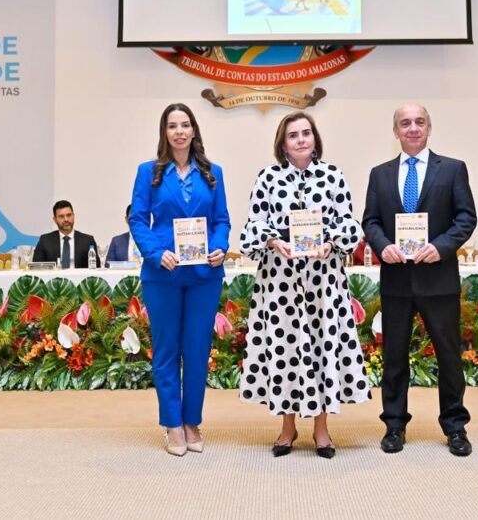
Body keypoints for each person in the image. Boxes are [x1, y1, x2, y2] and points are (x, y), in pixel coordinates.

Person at [239, 113, 369, 459]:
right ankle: (287, 427)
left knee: (322, 347)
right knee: (285, 350)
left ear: (315, 139)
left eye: (306, 133)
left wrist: (332, 243)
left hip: (323, 279)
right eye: (293, 135)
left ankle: (321, 429)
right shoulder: (267, 177)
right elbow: (254, 224)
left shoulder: (333, 175)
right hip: (280, 281)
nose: (300, 139)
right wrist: (272, 241)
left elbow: (348, 222)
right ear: (283, 143)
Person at [362, 103, 477, 457]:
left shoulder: (453, 169)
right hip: (396, 280)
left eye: (419, 122)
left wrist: (440, 247)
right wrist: (383, 246)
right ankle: (394, 426)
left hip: (438, 279)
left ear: (429, 127)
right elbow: (370, 221)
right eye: (405, 123)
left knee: (448, 357)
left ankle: (455, 427)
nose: (412, 128)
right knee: (394, 357)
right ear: (395, 130)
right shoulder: (379, 174)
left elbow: (466, 218)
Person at [129, 103, 230, 457]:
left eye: (185, 125)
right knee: (167, 351)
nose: (179, 132)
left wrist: (220, 247)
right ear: (165, 132)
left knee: (198, 351)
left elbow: (222, 220)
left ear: (194, 130)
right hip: (163, 274)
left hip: (204, 275)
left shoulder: (212, 172)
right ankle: (172, 424)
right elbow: (138, 219)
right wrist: (156, 253)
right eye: (172, 126)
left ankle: (192, 422)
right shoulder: (148, 172)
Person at [33, 200, 101, 268]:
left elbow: (96, 269)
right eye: (61, 216)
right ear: (55, 220)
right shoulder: (45, 241)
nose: (66, 219)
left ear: (73, 216)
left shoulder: (87, 241)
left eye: (69, 215)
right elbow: (36, 268)